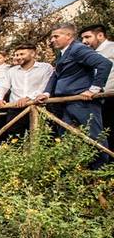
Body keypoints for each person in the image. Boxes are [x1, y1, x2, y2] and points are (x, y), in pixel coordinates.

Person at [38, 23, 112, 167]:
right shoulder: (63, 52)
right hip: (65, 102)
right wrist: (46, 93)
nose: (52, 40)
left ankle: (102, 175)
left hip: (82, 102)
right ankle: (76, 173)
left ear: (69, 36)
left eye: (56, 36)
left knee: (94, 138)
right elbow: (56, 75)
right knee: (66, 138)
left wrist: (94, 89)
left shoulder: (78, 49)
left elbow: (104, 64)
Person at [0, 43, 54, 140]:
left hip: (39, 106)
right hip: (15, 109)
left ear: (33, 54)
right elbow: (3, 87)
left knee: (42, 138)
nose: (18, 57)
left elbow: (45, 86)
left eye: (22, 54)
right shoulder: (11, 71)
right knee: (14, 139)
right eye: (16, 55)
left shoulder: (46, 68)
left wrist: (28, 98)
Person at [79, 24, 114, 146]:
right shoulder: (87, 54)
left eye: (87, 37)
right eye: (82, 38)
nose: (84, 41)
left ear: (100, 35)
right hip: (95, 99)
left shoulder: (112, 48)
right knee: (100, 134)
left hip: (110, 97)